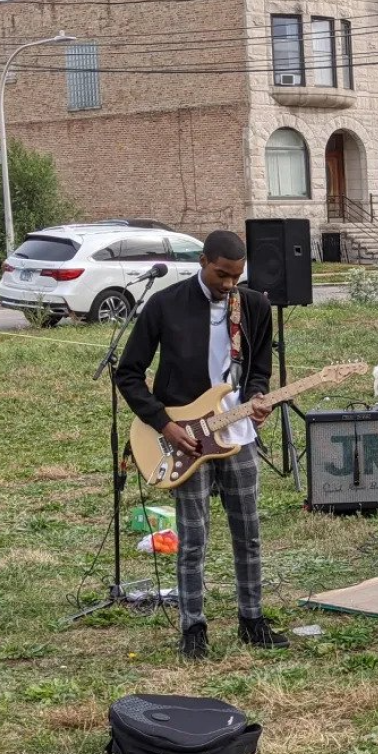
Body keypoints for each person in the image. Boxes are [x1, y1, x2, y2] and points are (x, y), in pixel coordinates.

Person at [117, 229, 288, 660]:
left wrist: (256, 399)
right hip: (185, 439)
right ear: (203, 262)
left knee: (248, 534)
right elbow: (129, 372)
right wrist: (162, 422)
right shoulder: (165, 305)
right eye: (221, 274)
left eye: (236, 276)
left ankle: (252, 619)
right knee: (193, 539)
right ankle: (193, 628)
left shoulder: (253, 306)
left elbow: (259, 369)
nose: (229, 284)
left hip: (237, 435)